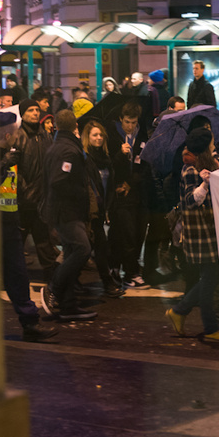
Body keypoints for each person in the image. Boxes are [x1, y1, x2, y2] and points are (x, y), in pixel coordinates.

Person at [164, 128, 219, 343]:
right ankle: (210, 328)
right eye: (212, 142)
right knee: (209, 279)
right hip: (200, 232)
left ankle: (179, 310)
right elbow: (189, 200)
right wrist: (204, 184)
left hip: (210, 230)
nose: (215, 145)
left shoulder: (208, 163)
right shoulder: (191, 169)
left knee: (209, 278)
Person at [0, 112, 58, 341]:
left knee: (18, 276)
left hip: (11, 221)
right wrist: (3, 164)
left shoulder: (8, 154)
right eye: (14, 133)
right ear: (7, 134)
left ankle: (31, 324)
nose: (17, 136)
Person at [39, 109, 97, 321]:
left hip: (62, 211)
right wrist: (81, 192)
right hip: (67, 212)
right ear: (76, 127)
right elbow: (59, 181)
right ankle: (53, 287)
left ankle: (68, 306)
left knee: (73, 251)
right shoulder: (68, 151)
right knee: (83, 249)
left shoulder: (57, 146)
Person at [15, 97, 59, 279]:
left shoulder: (45, 135)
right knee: (17, 242)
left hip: (42, 199)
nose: (35, 113)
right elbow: (15, 170)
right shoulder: (18, 136)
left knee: (43, 241)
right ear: (22, 115)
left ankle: (52, 278)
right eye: (30, 111)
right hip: (24, 201)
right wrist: (25, 191)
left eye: (36, 110)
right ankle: (10, 276)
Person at [83, 118, 125, 297]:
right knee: (96, 247)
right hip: (89, 211)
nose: (98, 138)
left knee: (90, 248)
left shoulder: (106, 159)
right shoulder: (85, 158)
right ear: (87, 137)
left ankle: (66, 281)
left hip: (102, 209)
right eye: (94, 135)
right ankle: (107, 282)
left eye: (101, 135)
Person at [111, 101, 149, 288]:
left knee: (137, 233)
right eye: (127, 122)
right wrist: (119, 154)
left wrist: (130, 183)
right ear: (121, 119)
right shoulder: (113, 135)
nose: (131, 126)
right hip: (119, 194)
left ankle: (129, 269)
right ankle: (128, 271)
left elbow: (144, 165)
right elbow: (108, 164)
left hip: (138, 192)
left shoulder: (142, 136)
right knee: (125, 232)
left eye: (134, 122)